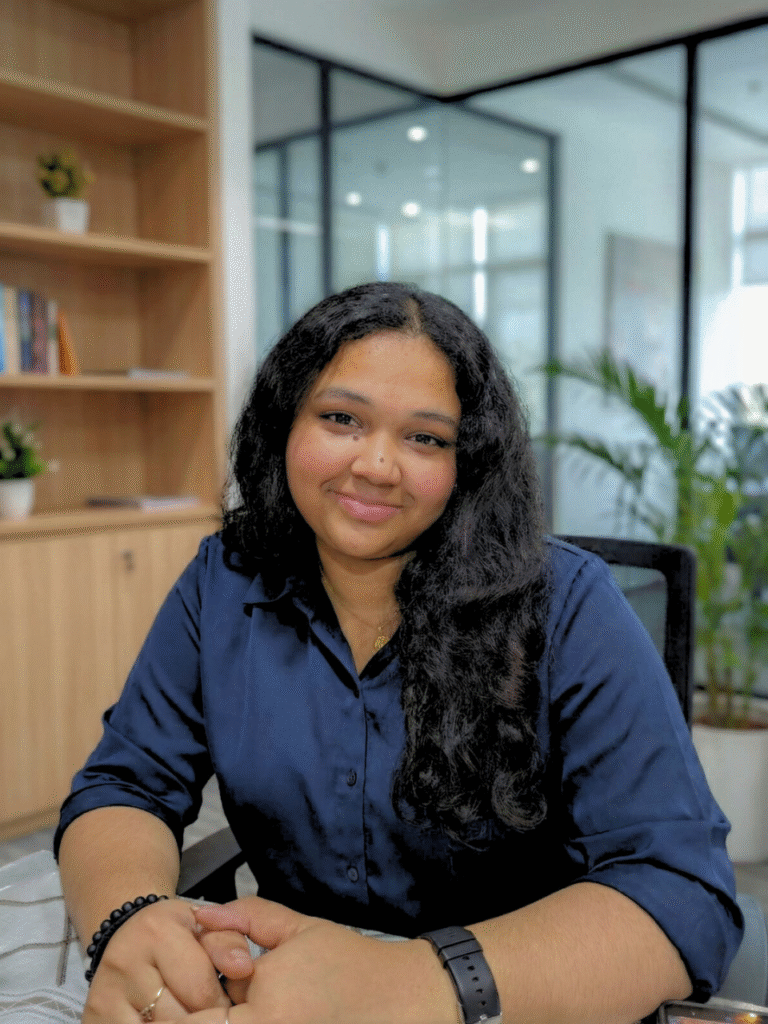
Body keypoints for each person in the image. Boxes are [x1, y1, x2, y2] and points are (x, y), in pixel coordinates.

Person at [55, 281, 742, 1024]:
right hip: (287, 997)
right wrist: (131, 918)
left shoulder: (573, 605)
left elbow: (681, 892)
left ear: (467, 462)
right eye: (341, 419)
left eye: (426, 439)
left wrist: (410, 982)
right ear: (285, 422)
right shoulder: (223, 581)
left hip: (512, 1002)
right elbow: (125, 784)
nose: (377, 466)